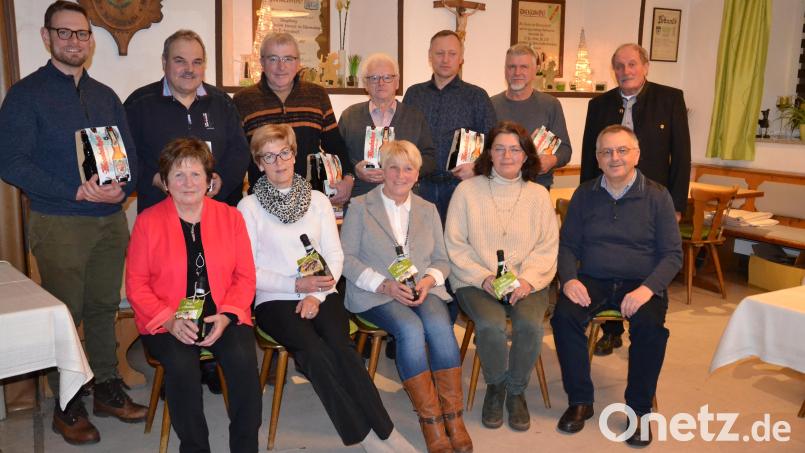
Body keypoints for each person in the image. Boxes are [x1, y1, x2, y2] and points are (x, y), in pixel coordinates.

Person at [0, 1, 146, 445]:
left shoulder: (105, 96)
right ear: (46, 38)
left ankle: (106, 387)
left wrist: (124, 188)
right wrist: (75, 190)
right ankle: (67, 403)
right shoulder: (25, 95)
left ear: (90, 42)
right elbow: (11, 163)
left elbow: (131, 158)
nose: (74, 41)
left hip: (109, 220)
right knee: (65, 315)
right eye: (64, 33)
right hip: (60, 220)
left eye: (81, 34)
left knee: (104, 308)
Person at [237, 124, 415, 452]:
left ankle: (386, 431)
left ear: (294, 156)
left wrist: (314, 293)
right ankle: (363, 436)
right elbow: (248, 270)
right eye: (269, 156)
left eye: (285, 153)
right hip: (274, 298)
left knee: (342, 348)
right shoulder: (248, 208)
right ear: (259, 163)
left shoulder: (318, 200)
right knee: (314, 353)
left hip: (323, 290)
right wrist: (295, 285)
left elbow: (335, 254)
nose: (279, 162)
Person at [125, 138, 261, 452]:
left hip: (222, 312)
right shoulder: (148, 222)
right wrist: (169, 320)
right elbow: (137, 285)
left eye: (196, 174)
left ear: (210, 180)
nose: (189, 183)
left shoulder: (230, 217)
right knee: (182, 368)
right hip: (167, 317)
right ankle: (195, 447)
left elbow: (245, 276)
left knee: (243, 362)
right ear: (165, 182)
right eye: (179, 175)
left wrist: (228, 315)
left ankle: (245, 447)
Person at [551, 125, 682, 447]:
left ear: (636, 154)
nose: (615, 158)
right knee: (563, 317)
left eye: (622, 150)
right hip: (594, 278)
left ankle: (638, 410)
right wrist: (569, 279)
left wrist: (648, 289)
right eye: (606, 152)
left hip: (641, 282)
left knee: (650, 328)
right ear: (597, 159)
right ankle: (580, 400)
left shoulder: (657, 196)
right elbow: (567, 246)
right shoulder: (585, 195)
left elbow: (672, 254)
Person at [341, 140, 472, 453]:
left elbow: (442, 259)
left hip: (422, 288)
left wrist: (428, 281)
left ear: (417, 174)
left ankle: (453, 416)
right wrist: (385, 285)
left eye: (408, 168)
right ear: (382, 171)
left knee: (441, 327)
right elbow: (345, 259)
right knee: (411, 331)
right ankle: (431, 422)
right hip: (376, 293)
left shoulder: (427, 210)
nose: (400, 175)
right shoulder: (360, 206)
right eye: (393, 167)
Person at [444, 121, 558, 432]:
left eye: (515, 149)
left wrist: (528, 281)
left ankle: (516, 390)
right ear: (489, 154)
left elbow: (548, 247)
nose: (507, 155)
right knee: (491, 326)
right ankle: (496, 386)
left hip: (528, 281)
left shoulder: (538, 195)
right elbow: (455, 243)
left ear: (525, 155)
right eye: (500, 149)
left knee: (530, 325)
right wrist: (483, 277)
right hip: (475, 280)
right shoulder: (466, 191)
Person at [580, 43, 690, 357]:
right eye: (619, 65)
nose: (625, 71)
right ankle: (611, 331)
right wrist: (585, 199)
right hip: (606, 198)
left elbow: (681, 155)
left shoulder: (670, 99)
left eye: (632, 64)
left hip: (652, 201)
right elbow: (592, 156)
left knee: (652, 259)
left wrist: (678, 205)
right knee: (607, 260)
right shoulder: (599, 104)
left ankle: (645, 322)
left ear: (645, 66)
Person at [125, 29, 250, 213]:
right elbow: (125, 156)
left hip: (215, 212)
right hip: (160, 214)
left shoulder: (222, 102)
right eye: (180, 61)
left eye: (196, 62)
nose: (189, 69)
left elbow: (239, 152)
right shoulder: (139, 104)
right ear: (164, 62)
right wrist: (153, 178)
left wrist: (222, 178)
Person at [233, 32, 354, 204]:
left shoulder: (317, 95)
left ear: (298, 63)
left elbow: (334, 144)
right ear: (261, 62)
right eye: (273, 59)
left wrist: (348, 178)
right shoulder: (243, 100)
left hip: (309, 200)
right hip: (261, 203)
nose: (281, 67)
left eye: (288, 59)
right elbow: (238, 156)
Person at [402, 29, 496, 222]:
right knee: (421, 245)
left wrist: (478, 168)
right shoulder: (414, 94)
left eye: (452, 54)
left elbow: (494, 143)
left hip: (462, 186)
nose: (445, 59)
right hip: (419, 186)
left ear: (461, 58)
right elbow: (402, 140)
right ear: (430, 56)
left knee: (457, 248)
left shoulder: (477, 96)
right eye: (439, 53)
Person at [339, 53, 437, 198]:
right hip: (361, 199)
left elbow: (430, 158)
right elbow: (337, 156)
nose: (381, 83)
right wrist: (354, 171)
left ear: (397, 82)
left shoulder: (415, 117)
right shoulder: (350, 116)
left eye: (387, 77)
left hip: (403, 200)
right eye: (374, 78)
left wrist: (404, 172)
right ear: (365, 84)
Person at [491, 44, 572, 189]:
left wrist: (552, 160)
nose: (517, 72)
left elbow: (565, 150)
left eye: (524, 67)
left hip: (538, 187)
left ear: (535, 71)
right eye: (511, 67)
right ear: (505, 71)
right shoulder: (490, 105)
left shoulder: (550, 105)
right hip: (497, 187)